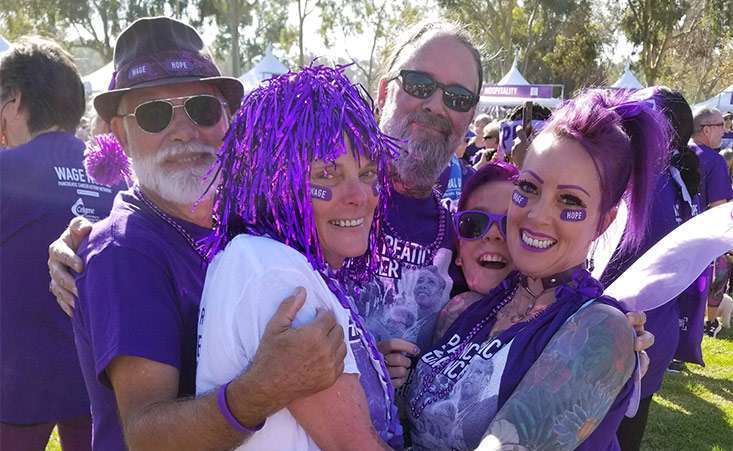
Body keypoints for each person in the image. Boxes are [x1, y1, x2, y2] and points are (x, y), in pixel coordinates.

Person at [70, 17, 346, 451]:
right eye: (153, 114)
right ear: (121, 134)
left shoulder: (241, 220)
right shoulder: (124, 251)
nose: (183, 131)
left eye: (201, 107)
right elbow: (146, 436)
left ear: (229, 120)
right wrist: (263, 388)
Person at [408, 88, 669, 450]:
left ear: (603, 222)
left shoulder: (600, 331)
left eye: (569, 200)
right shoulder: (478, 305)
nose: (537, 215)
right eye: (528, 188)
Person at [196, 64, 402, 450]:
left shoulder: (267, 257)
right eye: (327, 173)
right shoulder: (272, 268)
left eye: (368, 171)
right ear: (274, 179)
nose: (361, 195)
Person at [0, 36, 112, 451]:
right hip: (98, 381)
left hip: (17, 388)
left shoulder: (5, 169)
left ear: (14, 101)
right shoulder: (115, 178)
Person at [598, 87, 704, 449]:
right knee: (630, 428)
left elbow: (610, 264)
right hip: (658, 330)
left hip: (627, 334)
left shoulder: (646, 184)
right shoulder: (677, 182)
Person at [690, 106, 733, 337]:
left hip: (675, 235)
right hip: (705, 240)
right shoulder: (714, 161)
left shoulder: (678, 152)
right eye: (720, 126)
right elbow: (720, 208)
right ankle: (705, 326)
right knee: (710, 284)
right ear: (706, 129)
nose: (725, 131)